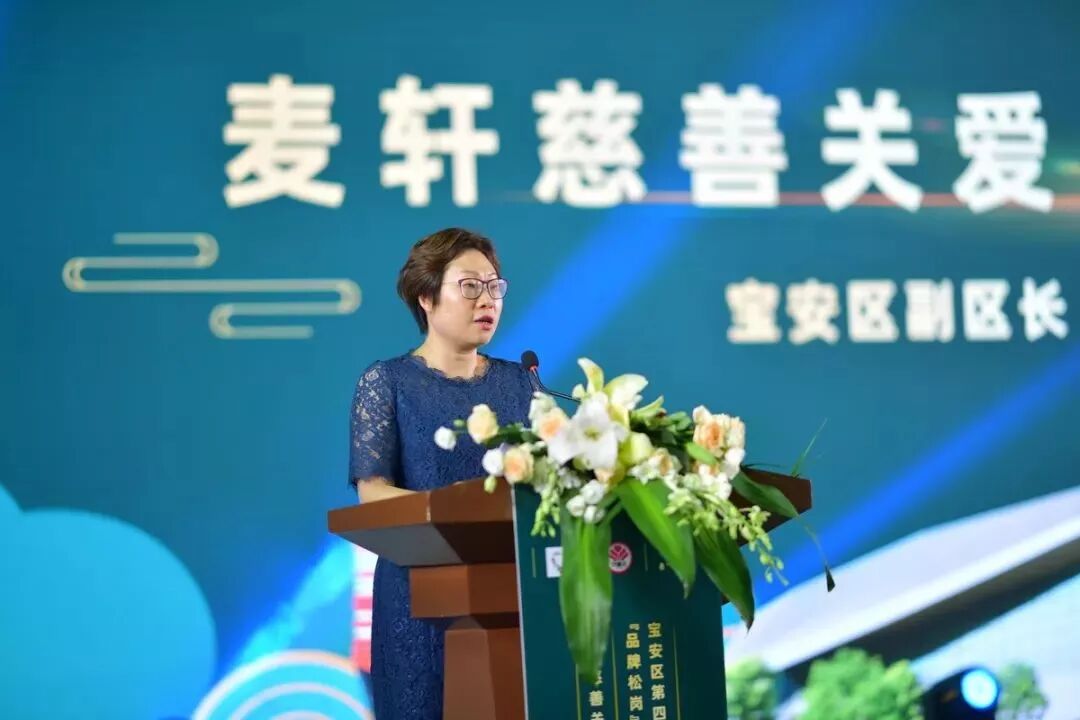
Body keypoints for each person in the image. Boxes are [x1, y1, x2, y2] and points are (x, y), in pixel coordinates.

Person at [348, 227, 536, 720]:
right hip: (418, 597)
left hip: (510, 595)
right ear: (426, 297)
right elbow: (372, 493)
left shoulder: (521, 384)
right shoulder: (387, 382)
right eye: (470, 286)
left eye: (494, 286)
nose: (487, 299)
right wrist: (451, 511)